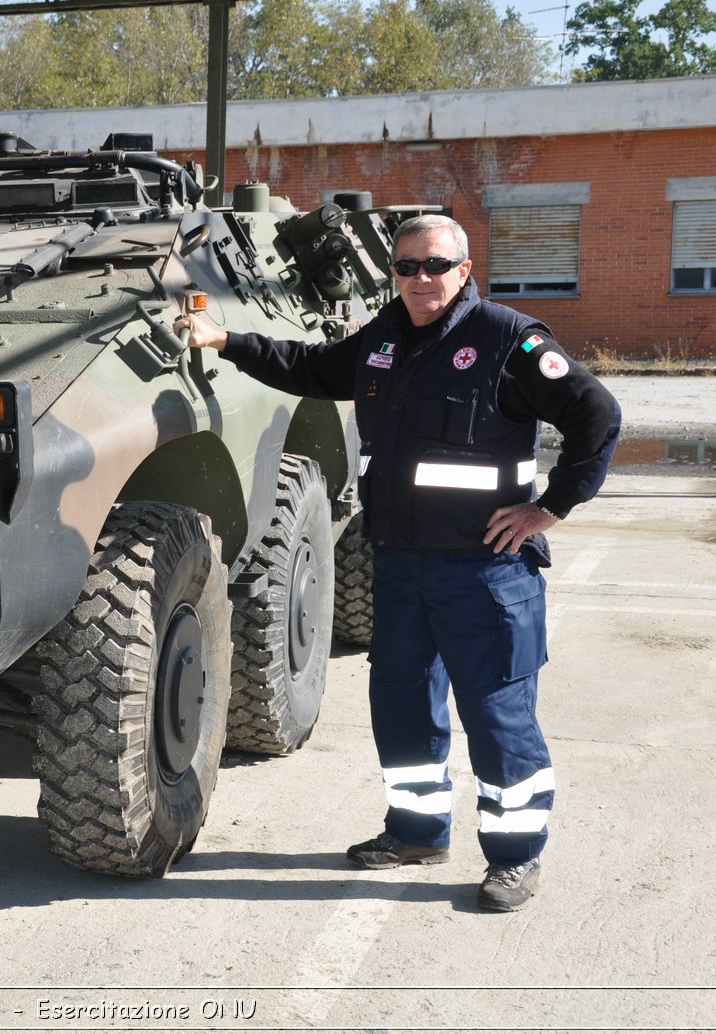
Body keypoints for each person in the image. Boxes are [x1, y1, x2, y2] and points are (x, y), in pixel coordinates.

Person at [175, 213, 620, 912]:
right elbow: (311, 368)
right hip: (403, 568)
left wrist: (551, 507)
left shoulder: (507, 339)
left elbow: (596, 413)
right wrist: (225, 339)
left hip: (485, 573)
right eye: (406, 266)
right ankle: (416, 831)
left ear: (464, 270)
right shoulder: (384, 336)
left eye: (435, 265)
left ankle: (514, 857)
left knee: (498, 718)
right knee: (402, 708)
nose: (420, 279)